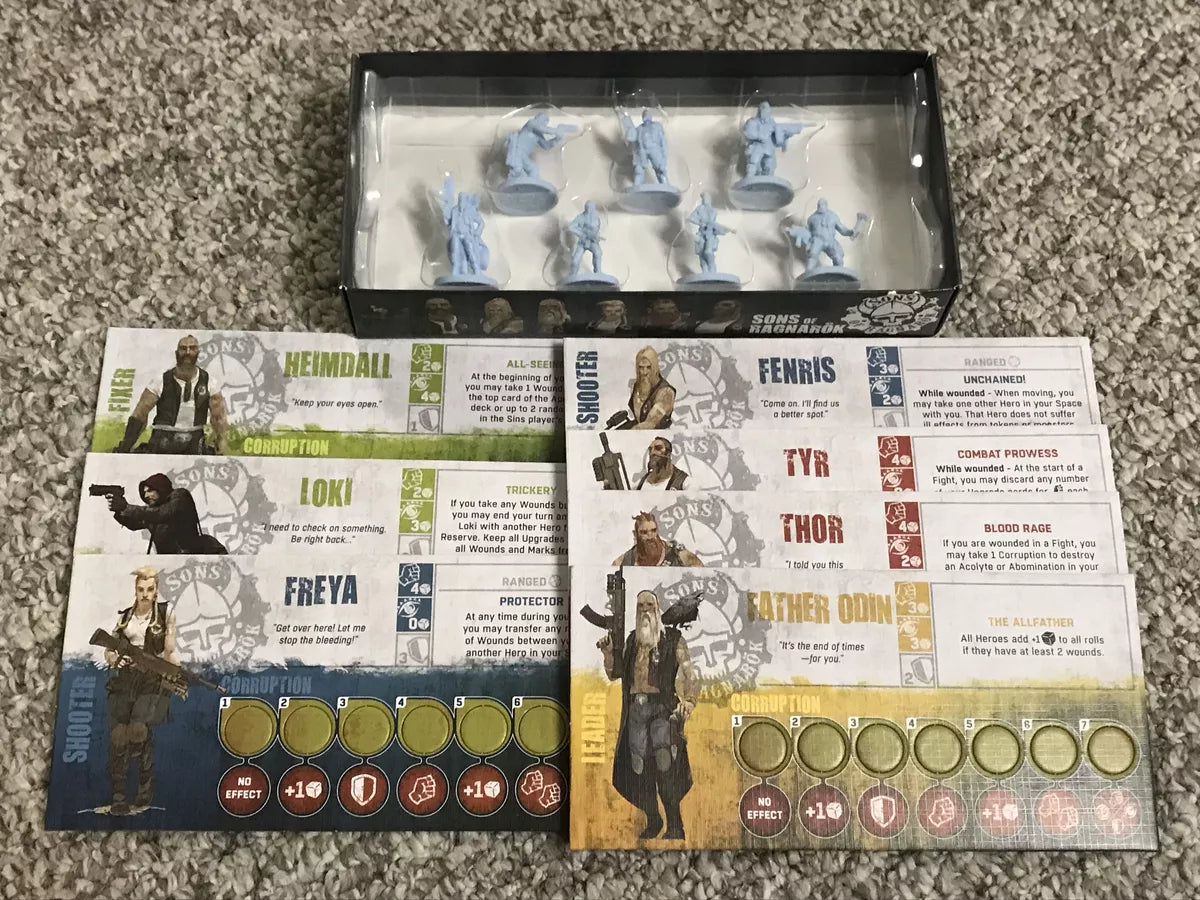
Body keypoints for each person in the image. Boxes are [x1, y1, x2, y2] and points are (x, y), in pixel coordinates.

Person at [597, 589, 699, 840]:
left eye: (649, 605)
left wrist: (688, 700)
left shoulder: (673, 639)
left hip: (662, 708)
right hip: (636, 711)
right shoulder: (632, 640)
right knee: (639, 767)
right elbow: (615, 674)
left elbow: (690, 673)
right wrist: (608, 653)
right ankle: (654, 820)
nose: (645, 610)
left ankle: (675, 825)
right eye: (640, 605)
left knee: (665, 763)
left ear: (657, 609)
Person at [103, 566, 188, 814]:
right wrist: (114, 659)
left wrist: (178, 676)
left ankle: (144, 786)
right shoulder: (124, 617)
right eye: (141, 589)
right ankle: (119, 796)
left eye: (150, 589)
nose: (145, 594)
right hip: (125, 679)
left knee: (138, 730)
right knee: (118, 736)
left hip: (151, 678)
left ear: (156, 590)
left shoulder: (165, 613)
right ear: (135, 590)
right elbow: (109, 648)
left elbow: (170, 651)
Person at [115, 335, 228, 455]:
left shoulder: (210, 382)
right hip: (163, 439)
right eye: (183, 348)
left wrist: (221, 443)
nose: (187, 352)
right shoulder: (160, 381)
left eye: (192, 348)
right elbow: (140, 415)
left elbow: (218, 418)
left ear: (198, 353)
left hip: (194, 441)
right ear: (176, 353)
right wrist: (126, 445)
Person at [108, 473, 228, 554]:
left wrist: (126, 507)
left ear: (160, 488)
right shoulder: (152, 511)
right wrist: (119, 510)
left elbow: (165, 513)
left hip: (193, 557)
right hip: (169, 562)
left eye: (150, 490)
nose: (146, 495)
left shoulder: (180, 496)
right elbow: (134, 524)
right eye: (144, 492)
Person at [612, 512, 702, 567]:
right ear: (636, 534)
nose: (650, 536)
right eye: (644, 532)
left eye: (653, 530)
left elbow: (700, 571)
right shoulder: (624, 561)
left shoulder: (677, 553)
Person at [625, 346, 676, 429]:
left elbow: (650, 423)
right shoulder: (637, 387)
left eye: (648, 367)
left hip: (657, 435)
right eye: (641, 367)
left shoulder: (666, 392)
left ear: (655, 368)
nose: (644, 372)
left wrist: (627, 433)